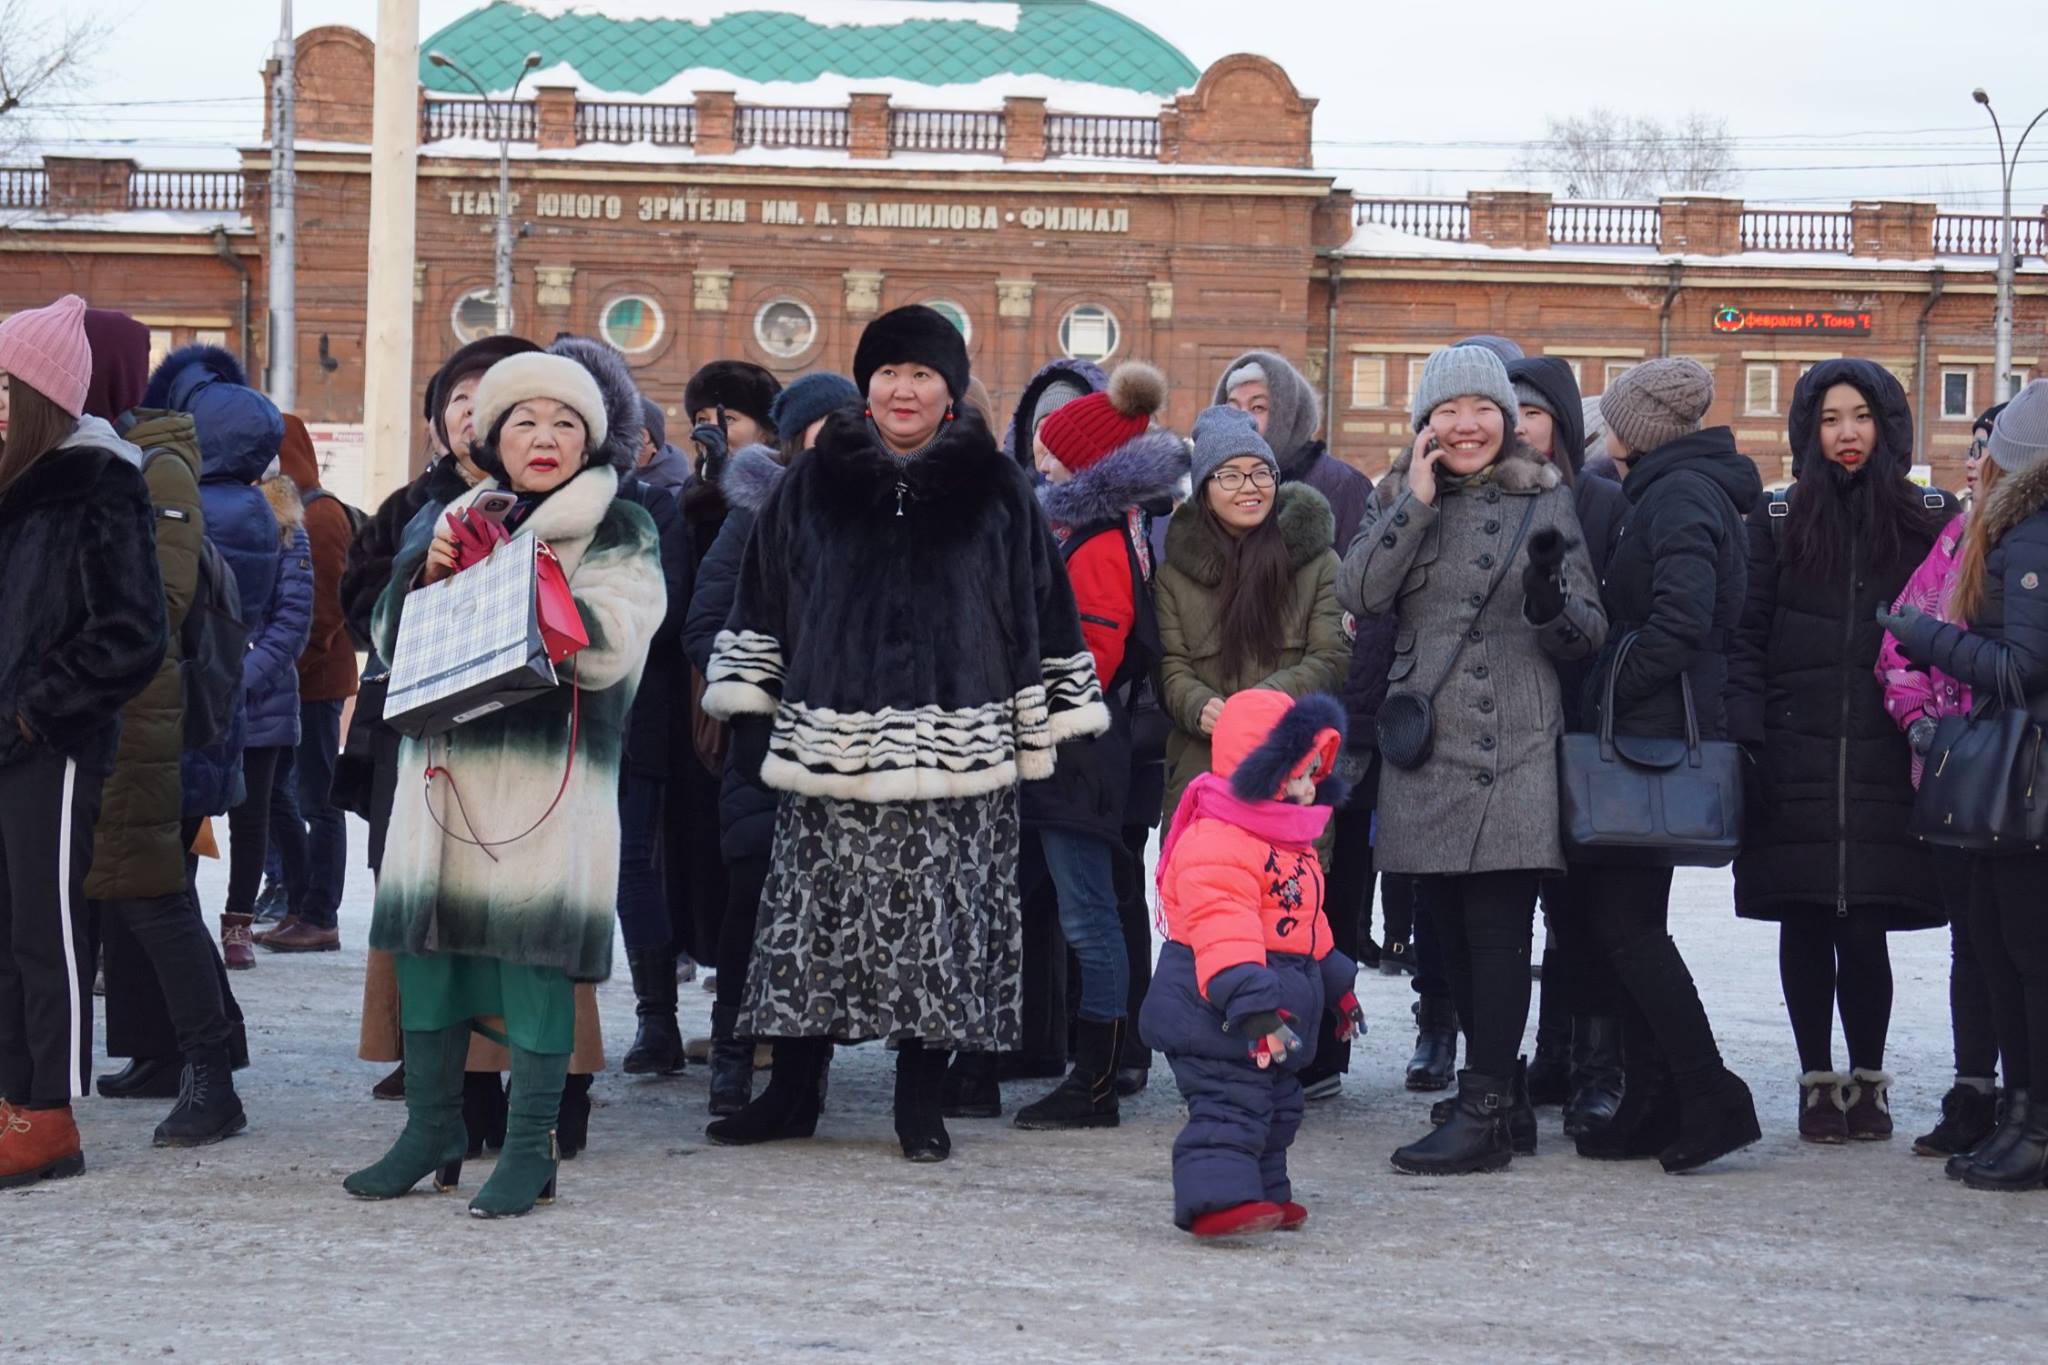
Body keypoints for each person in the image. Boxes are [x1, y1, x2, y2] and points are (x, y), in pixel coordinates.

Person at [701, 304, 1106, 1163]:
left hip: (962, 750)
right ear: (866, 384)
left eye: (922, 374)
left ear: (950, 390)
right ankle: (793, 1092)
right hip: (828, 747)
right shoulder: (809, 482)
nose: (903, 389)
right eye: (889, 373)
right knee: (813, 924)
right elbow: (763, 597)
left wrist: (1058, 717)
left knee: (942, 930)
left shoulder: (997, 487)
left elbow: (1044, 606)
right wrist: (748, 703)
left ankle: (920, 1100)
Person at [346, 340, 665, 1218]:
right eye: (523, 420)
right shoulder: (457, 511)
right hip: (445, 773)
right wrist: (431, 574)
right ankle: (432, 1128)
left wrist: (519, 582)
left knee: (533, 959)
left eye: (567, 421)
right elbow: (388, 635)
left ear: (592, 438)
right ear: (491, 436)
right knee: (432, 954)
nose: (545, 435)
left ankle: (529, 1146)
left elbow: (616, 640)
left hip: (547, 781)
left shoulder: (620, 523)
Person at [1337, 343, 1606, 1175]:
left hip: (1514, 736)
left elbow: (1588, 633)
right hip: (1426, 739)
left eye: (1483, 408)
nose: (1467, 424)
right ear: (1426, 424)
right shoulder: (1395, 498)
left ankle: (1488, 1103)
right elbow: (1360, 593)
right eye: (1449, 411)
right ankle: (1501, 1093)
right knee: (1445, 933)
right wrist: (1415, 497)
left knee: (1494, 928)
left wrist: (1549, 602)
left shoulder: (1546, 498)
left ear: (1509, 419)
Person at [1728, 359, 1951, 1143]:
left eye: (1861, 417)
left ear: (1887, 426)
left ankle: (1869, 1077)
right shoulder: (1779, 520)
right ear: (1807, 431)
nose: (1846, 433)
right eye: (1830, 419)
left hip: (1893, 753)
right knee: (1808, 916)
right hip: (1795, 750)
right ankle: (1817, 1080)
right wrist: (1750, 737)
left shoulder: (1930, 517)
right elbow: (1746, 637)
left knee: (1868, 924)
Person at [1567, 359, 1763, 1171]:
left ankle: (1709, 1091)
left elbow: (1684, 621)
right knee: (1627, 928)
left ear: (1640, 430)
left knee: (1630, 929)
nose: (1605, 433)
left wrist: (1609, 680)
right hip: (1642, 738)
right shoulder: (1670, 486)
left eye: (1613, 420)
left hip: (1646, 744)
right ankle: (1660, 1097)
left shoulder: (1680, 493)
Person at [340, 333, 539, 1102]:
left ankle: (536, 1079)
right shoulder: (406, 508)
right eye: (459, 399)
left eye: (490, 397)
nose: (471, 412)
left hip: (519, 734)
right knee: (416, 890)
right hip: (417, 729)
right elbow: (357, 610)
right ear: (438, 421)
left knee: (512, 897)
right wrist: (419, 579)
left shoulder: (552, 500)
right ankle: (425, 1054)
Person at [0, 295, 169, 1186]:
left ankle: (50, 1110)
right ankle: (10, 1097)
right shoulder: (11, 479)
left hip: (50, 745)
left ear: (39, 392)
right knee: (4, 928)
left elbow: (134, 631)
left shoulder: (101, 478)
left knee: (48, 929)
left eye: (3, 382)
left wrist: (37, 708)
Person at [77, 307, 246, 1143]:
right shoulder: (88, 452)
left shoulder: (158, 464)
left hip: (137, 712)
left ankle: (213, 1075)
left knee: (152, 896)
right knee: (129, 895)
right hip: (95, 710)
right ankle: (164, 1054)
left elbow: (162, 600)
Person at [1879, 380, 2048, 1190]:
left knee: (2026, 957)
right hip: (2012, 775)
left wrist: (1930, 639)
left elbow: (2024, 669)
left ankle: (2036, 1124)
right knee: (2004, 952)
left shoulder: (2032, 536)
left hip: (2027, 776)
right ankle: (2019, 1112)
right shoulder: (2013, 532)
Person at [682, 370, 860, 1116]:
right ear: (794, 441)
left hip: (849, 751)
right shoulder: (754, 512)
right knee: (750, 905)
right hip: (765, 747)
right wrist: (776, 678)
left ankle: (801, 1071)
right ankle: (731, 1056)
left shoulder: (880, 514)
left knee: (827, 915)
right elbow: (704, 624)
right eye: (824, 432)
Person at [1013, 361, 1185, 1130]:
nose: (1040, 460)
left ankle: (1096, 1077)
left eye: (1052, 450)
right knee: (1087, 909)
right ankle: (1093, 1070)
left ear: (1082, 463)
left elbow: (1094, 652)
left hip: (1076, 749)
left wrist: (1027, 687)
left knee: (1089, 915)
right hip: (1072, 746)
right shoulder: (1095, 529)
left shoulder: (1099, 541)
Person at [1215, 349, 1380, 1097]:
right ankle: (1249, 1028)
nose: (1247, 417)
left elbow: (1354, 611)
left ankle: (1321, 1052)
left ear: (1287, 407)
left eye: (1258, 403)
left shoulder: (1337, 484)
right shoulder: (1216, 490)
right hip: (1228, 727)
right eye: (1233, 404)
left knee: (1319, 893)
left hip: (1318, 722)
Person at [1142, 689, 1359, 1239]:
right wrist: (1255, 1009)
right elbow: (1223, 929)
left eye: (1315, 774)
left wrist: (1339, 986)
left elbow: (1307, 929)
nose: (1311, 789)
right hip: (1215, 1011)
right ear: (1262, 770)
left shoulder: (1289, 842)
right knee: (1230, 1109)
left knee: (1280, 1107)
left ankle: (1263, 1195)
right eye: (1300, 774)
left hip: (1268, 1013)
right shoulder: (1219, 840)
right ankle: (1215, 1200)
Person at [141, 343, 302, 973]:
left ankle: (230, 928)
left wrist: (239, 676)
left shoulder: (270, 509)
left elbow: (292, 616)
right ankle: (188, 930)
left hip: (243, 692)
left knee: (243, 817)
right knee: (200, 811)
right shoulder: (252, 507)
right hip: (233, 689)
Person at [1507, 354, 1630, 1135]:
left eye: (1532, 412)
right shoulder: (1488, 498)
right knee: (1541, 908)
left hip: (1585, 733)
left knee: (1590, 912)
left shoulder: (1598, 500)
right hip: (1520, 736)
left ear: (1560, 421)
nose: (1516, 427)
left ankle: (1596, 1066)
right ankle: (1549, 1054)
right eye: (1505, 410)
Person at [1875, 404, 2002, 1158]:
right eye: (1972, 447)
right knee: (1971, 943)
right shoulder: (1955, 537)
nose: (1973, 463)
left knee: (2021, 944)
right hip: (1955, 773)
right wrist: (1920, 720)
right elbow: (1899, 642)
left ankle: (2026, 1097)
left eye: (1990, 449)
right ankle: (1975, 1089)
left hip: (2025, 778)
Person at [1155, 406, 1348, 844]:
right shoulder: (1174, 575)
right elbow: (1170, 666)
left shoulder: (1317, 564)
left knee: (1287, 908)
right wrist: (1196, 704)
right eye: (1230, 475)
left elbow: (1331, 658)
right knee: (1209, 900)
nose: (1250, 488)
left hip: (1290, 772)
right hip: (1203, 775)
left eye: (1261, 473)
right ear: (1205, 489)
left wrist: (1259, 708)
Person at [592, 356, 695, 1078]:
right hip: (558, 716)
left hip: (636, 714)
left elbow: (668, 609)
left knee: (634, 866)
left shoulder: (653, 507)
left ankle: (655, 1018)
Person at [671, 360, 781, 1036]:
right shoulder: (700, 496)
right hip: (700, 702)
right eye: (703, 422)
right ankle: (728, 1028)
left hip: (760, 715)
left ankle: (765, 1034)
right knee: (713, 865)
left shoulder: (774, 500)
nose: (714, 432)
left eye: (729, 419)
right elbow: (694, 605)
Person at [257, 415, 357, 953]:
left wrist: (280, 666)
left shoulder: (320, 515)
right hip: (295, 681)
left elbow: (322, 613)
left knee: (320, 801)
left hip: (313, 684)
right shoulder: (288, 511)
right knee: (285, 798)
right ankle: (300, 905)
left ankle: (320, 914)